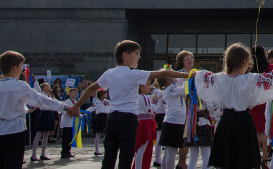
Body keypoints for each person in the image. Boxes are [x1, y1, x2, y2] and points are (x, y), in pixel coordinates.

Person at [68, 41, 190, 169]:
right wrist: (189, 75)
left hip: (112, 118)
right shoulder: (133, 73)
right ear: (125, 55)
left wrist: (76, 106)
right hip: (128, 120)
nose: (139, 57)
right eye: (136, 54)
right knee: (126, 158)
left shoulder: (110, 73)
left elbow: (92, 88)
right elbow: (164, 73)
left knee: (109, 157)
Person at [192, 43, 273, 169]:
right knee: (245, 160)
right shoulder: (250, 79)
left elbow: (199, 75)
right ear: (246, 61)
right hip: (244, 122)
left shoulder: (218, 78)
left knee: (226, 159)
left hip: (226, 122)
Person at [0, 51, 70, 168]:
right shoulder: (20, 86)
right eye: (21, 66)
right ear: (15, 68)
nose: (22, 70)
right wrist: (64, 107)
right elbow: (40, 100)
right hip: (14, 131)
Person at [135, 82, 159, 169]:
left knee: (141, 148)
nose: (149, 87)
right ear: (141, 87)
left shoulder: (139, 97)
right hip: (145, 124)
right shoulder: (142, 97)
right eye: (147, 85)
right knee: (141, 148)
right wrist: (155, 102)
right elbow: (148, 110)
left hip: (143, 122)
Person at [92, 89, 110, 156]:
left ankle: (107, 149)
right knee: (98, 134)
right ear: (102, 95)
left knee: (106, 134)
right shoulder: (98, 102)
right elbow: (92, 108)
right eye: (105, 93)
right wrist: (86, 112)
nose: (106, 94)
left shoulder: (107, 102)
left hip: (107, 117)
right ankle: (96, 150)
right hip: (100, 117)